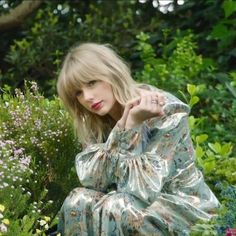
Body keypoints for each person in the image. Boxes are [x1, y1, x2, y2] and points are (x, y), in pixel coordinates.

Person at [56, 42, 219, 236]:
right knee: (78, 200)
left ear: (112, 73)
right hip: (128, 204)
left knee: (117, 206)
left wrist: (133, 125)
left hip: (185, 207)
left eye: (92, 83)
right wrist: (123, 127)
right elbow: (96, 182)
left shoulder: (166, 109)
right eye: (78, 93)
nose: (88, 97)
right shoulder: (96, 123)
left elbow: (144, 189)